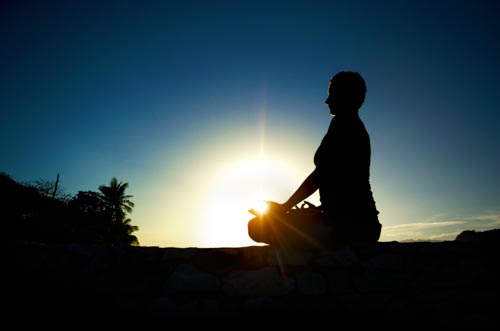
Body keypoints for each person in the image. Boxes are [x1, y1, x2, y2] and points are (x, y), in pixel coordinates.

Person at [248, 71, 382, 250]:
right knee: (262, 224)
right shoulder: (347, 126)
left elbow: (322, 174)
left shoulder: (346, 126)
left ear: (346, 97)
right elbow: (343, 182)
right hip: (354, 224)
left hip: (350, 227)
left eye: (331, 95)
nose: (327, 101)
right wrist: (319, 209)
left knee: (257, 226)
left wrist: (284, 207)